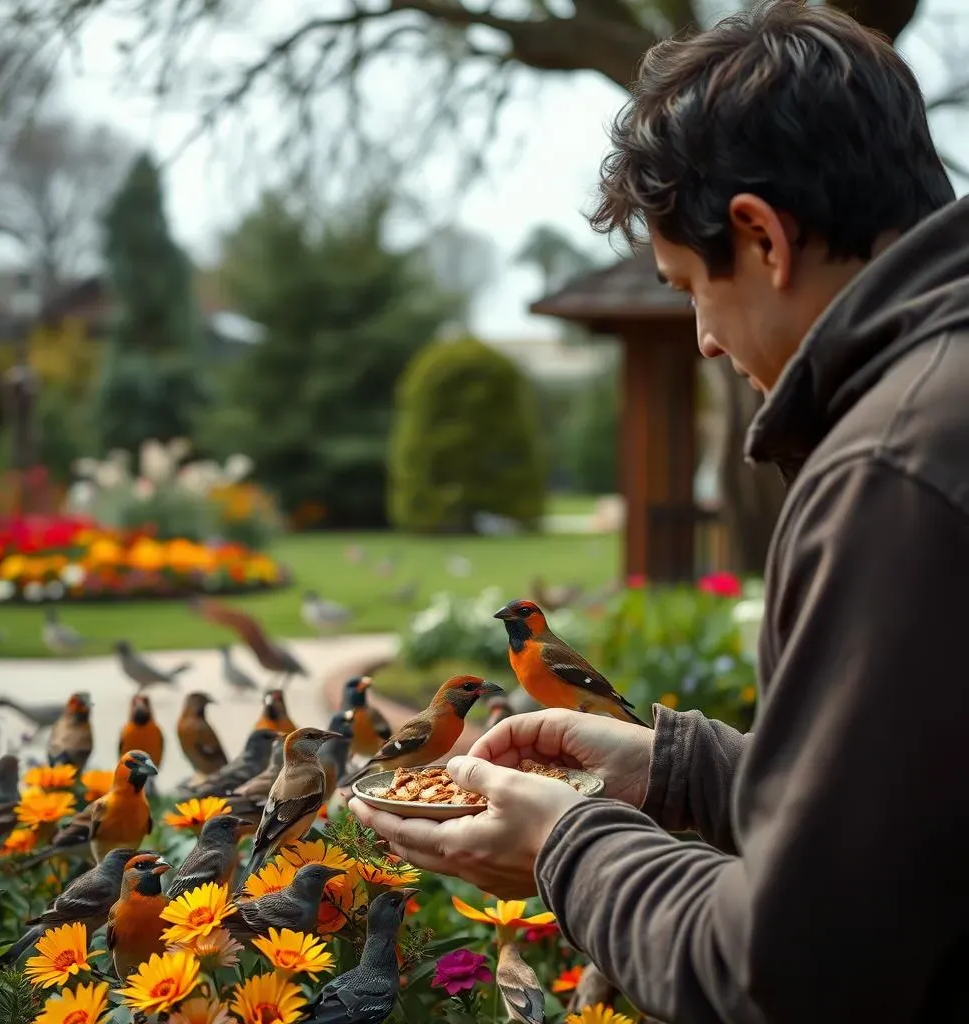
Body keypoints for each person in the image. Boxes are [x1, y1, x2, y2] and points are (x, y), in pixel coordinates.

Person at [351, 2, 969, 1021]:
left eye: (688, 288)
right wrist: (673, 767)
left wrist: (565, 844)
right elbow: (909, 818)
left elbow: (790, 968)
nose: (703, 342)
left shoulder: (893, 464)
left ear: (761, 238)